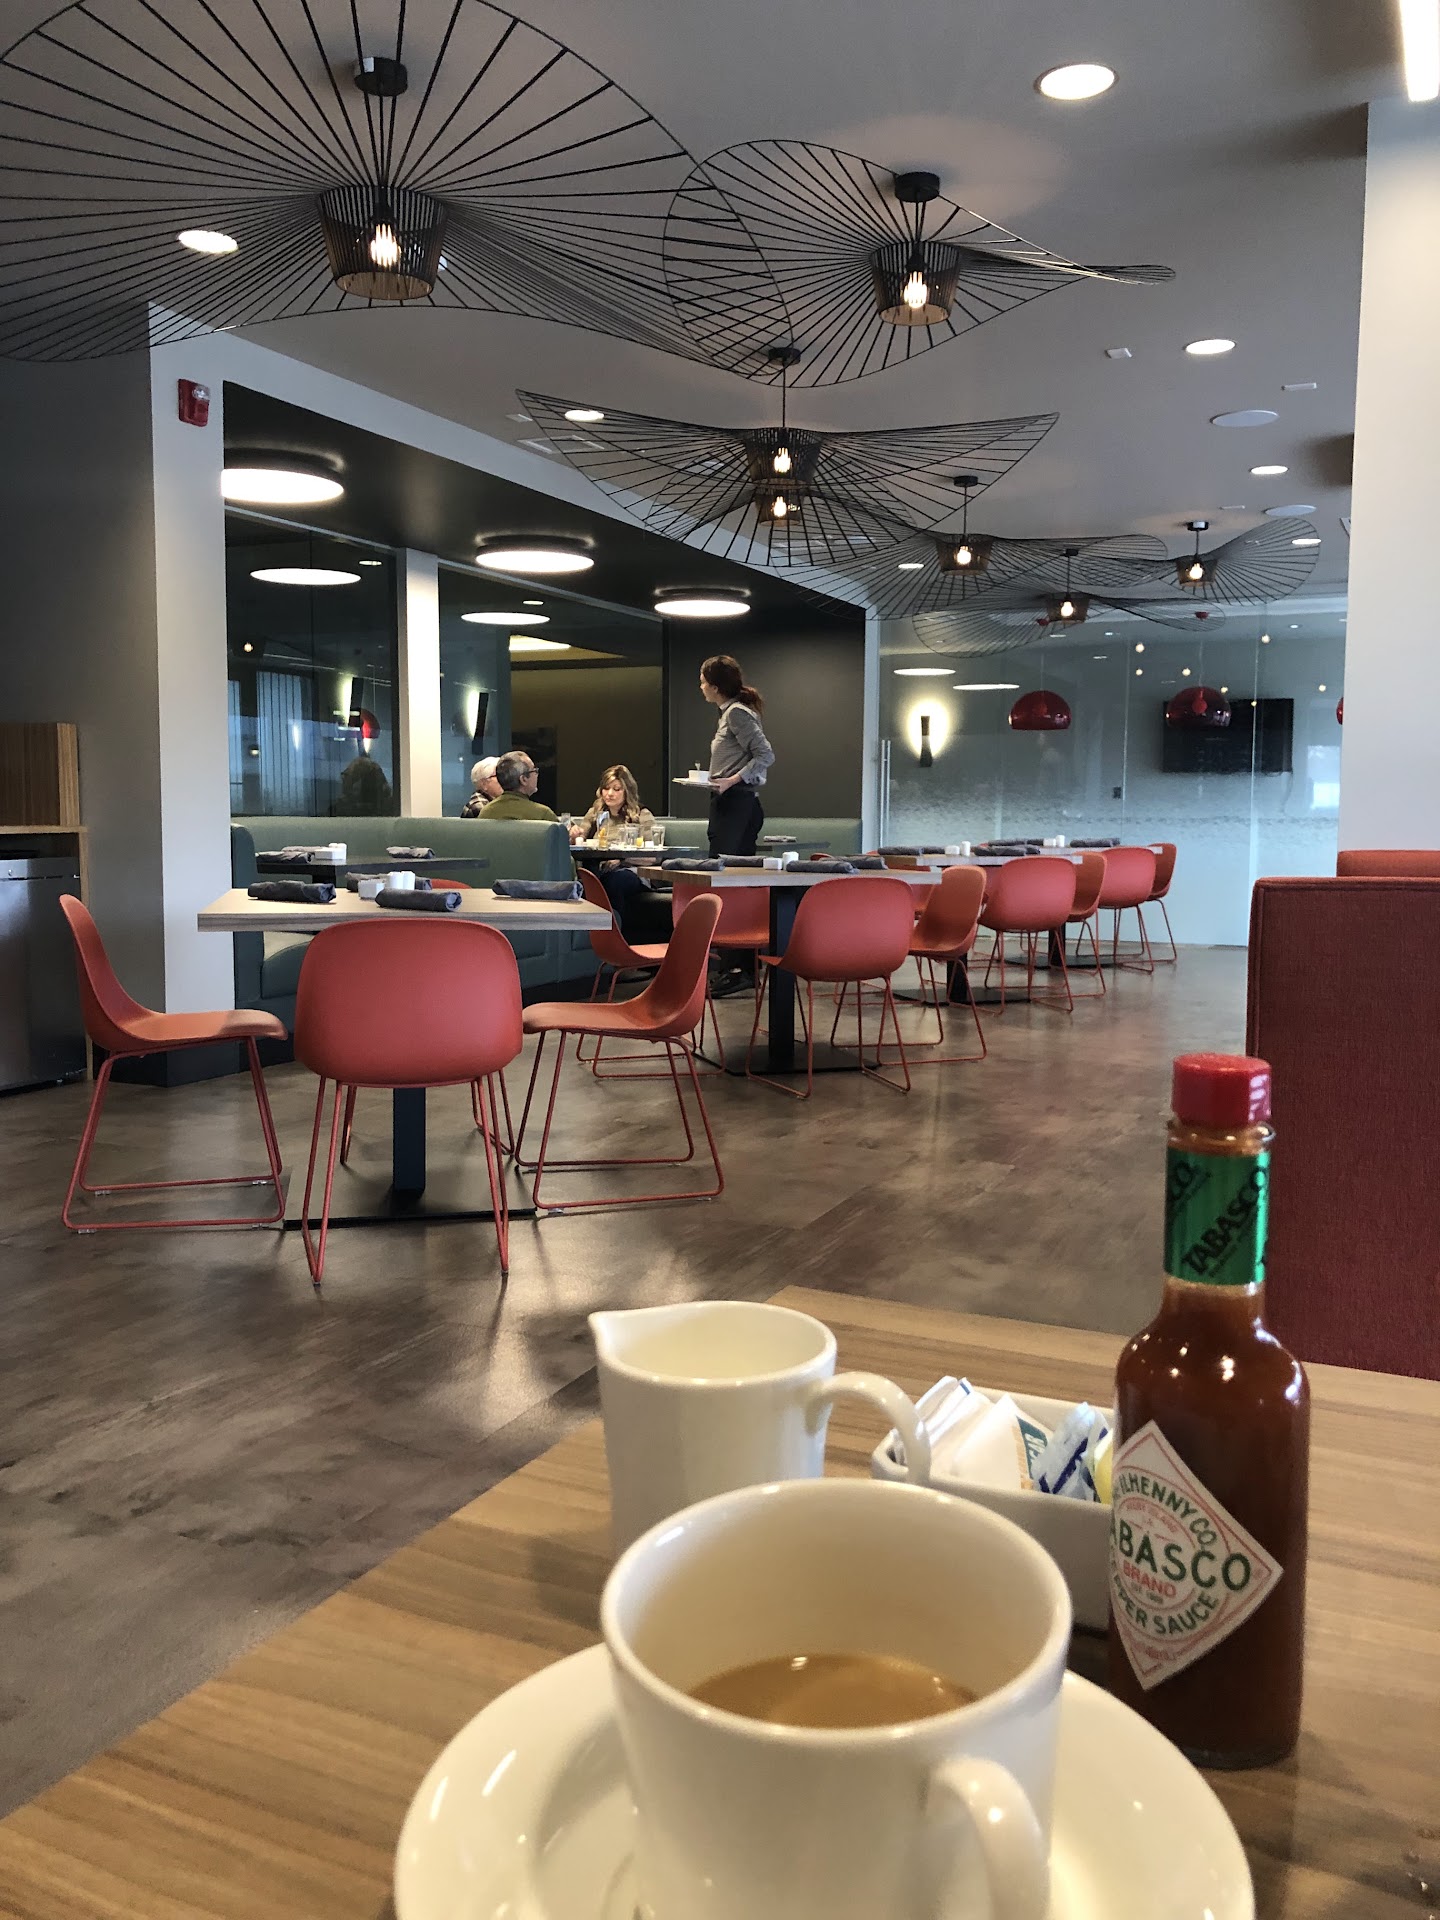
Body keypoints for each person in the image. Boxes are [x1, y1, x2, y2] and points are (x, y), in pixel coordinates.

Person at [699, 654, 773, 856]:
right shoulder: (728, 713)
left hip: (735, 802)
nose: (701, 687)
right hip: (729, 801)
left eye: (703, 682)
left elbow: (765, 754)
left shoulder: (736, 713)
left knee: (722, 863)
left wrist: (731, 780)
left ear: (715, 687)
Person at [571, 764, 655, 843]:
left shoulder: (642, 815)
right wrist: (574, 836)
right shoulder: (594, 813)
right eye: (606, 788)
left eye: (616, 789)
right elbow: (579, 842)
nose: (610, 793)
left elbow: (653, 850)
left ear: (627, 792)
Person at [479, 749, 559, 822]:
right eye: (534, 770)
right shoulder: (543, 815)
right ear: (523, 779)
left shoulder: (485, 813)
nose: (536, 774)